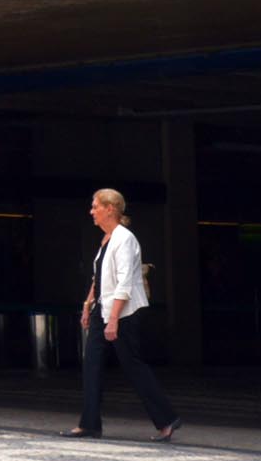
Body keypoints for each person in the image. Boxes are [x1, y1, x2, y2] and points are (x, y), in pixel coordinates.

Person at [66, 188, 180, 441]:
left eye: (95, 206)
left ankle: (167, 419)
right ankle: (89, 423)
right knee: (92, 364)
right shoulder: (106, 239)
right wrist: (88, 305)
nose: (91, 211)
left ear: (110, 208)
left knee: (132, 365)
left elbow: (124, 283)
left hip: (123, 312)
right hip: (102, 310)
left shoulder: (124, 239)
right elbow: (99, 278)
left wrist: (114, 319)